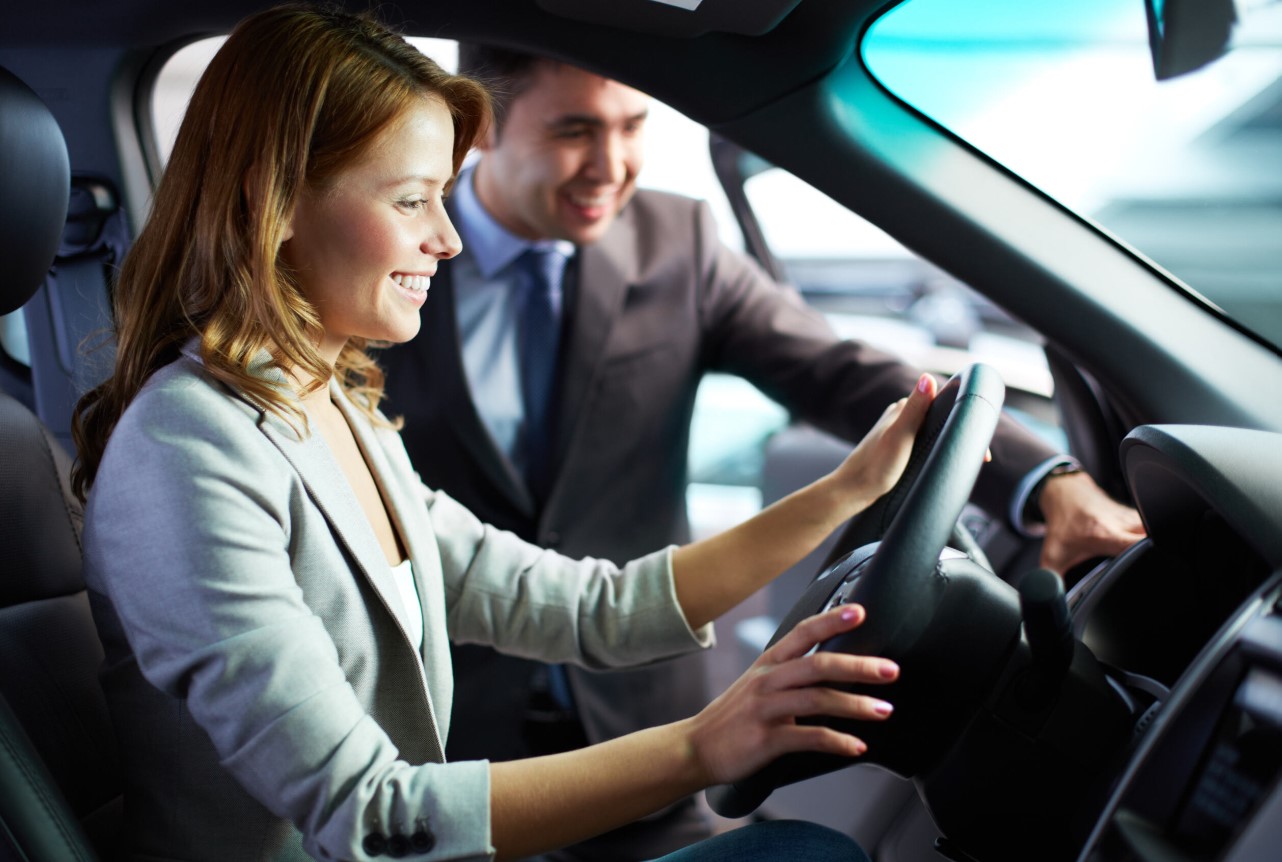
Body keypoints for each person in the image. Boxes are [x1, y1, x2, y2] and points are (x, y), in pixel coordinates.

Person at [71, 5, 939, 861]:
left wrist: (851, 491)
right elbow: (370, 813)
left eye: (441, 198)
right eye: (411, 200)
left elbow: (598, 609)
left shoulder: (335, 408)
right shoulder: (184, 453)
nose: (446, 239)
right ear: (277, 203)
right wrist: (702, 747)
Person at [376, 44, 1149, 859]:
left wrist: (1048, 477)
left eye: (633, 127)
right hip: (447, 727)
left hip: (639, 714)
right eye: (575, 131)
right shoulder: (389, 261)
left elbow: (843, 371)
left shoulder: (680, 241)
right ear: (483, 128)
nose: (611, 165)